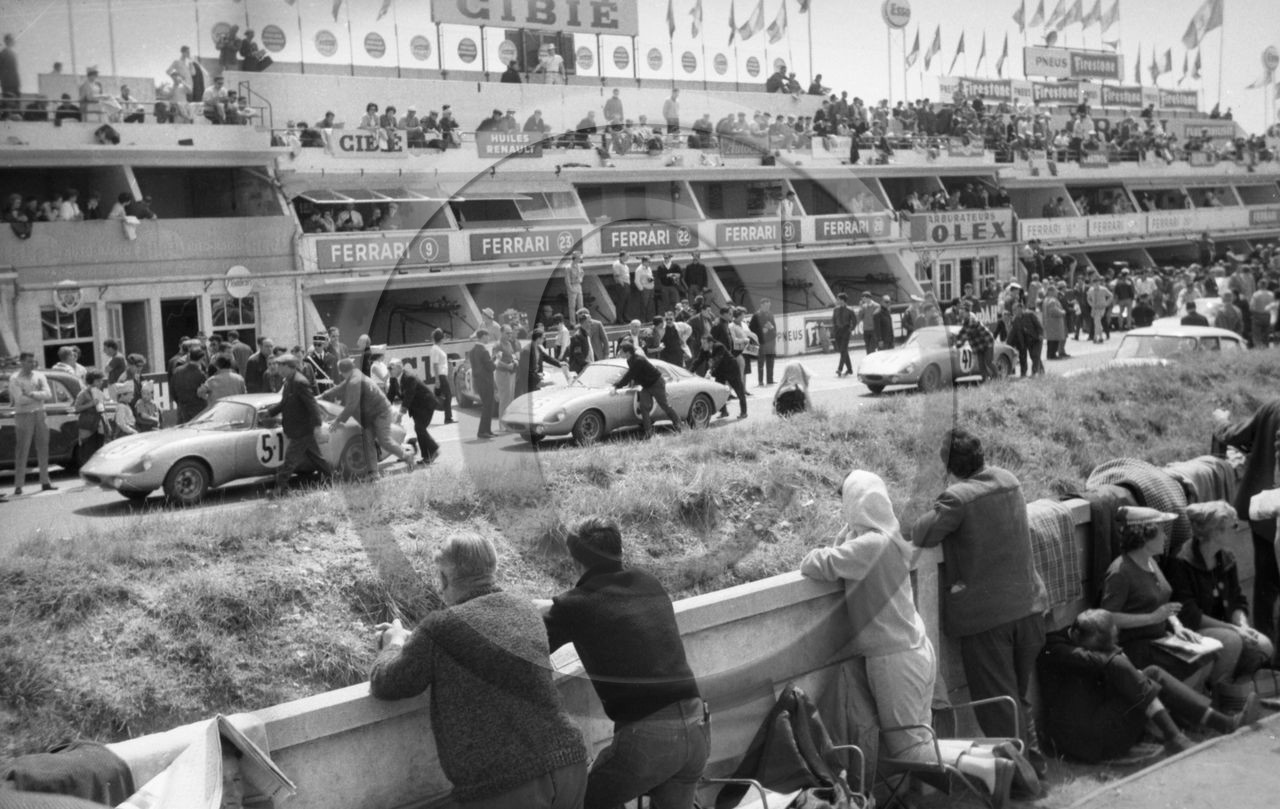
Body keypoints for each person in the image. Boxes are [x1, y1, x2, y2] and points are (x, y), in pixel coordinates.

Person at [803, 471, 1032, 800]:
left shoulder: (867, 547)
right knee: (921, 742)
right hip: (917, 651)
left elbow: (814, 564)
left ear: (853, 505)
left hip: (892, 659)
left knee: (909, 751)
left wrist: (844, 530)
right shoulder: (892, 539)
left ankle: (988, 768)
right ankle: (988, 757)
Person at [370, 535, 589, 809]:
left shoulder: (439, 628)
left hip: (508, 784)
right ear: (492, 569)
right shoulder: (525, 611)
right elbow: (482, 641)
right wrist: (420, 639)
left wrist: (395, 642)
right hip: (569, 764)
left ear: (445, 577)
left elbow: (388, 683)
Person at [539, 517, 707, 808]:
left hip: (651, 738)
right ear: (619, 549)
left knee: (579, 803)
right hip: (697, 725)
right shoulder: (648, 581)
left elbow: (530, 642)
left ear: (575, 560)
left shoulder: (574, 605)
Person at [912, 429, 1049, 764]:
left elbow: (922, 533)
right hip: (1029, 608)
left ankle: (1020, 783)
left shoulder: (957, 498)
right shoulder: (1009, 480)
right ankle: (1035, 766)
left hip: (989, 620)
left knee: (998, 706)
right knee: (1016, 697)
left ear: (948, 465)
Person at [1038, 609, 1258, 762]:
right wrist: (1117, 654)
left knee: (1151, 673)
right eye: (1098, 648)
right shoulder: (1056, 648)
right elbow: (1108, 661)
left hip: (1099, 720)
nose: (1103, 651)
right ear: (1076, 635)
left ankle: (1221, 724)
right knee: (1130, 668)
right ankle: (1179, 736)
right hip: (1084, 742)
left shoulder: (1084, 634)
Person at [1166, 501, 1276, 683]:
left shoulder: (1226, 558)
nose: (1237, 529)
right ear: (1216, 532)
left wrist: (1243, 626)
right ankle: (1216, 694)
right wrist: (1235, 630)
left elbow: (1237, 600)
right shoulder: (1181, 562)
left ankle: (1235, 688)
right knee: (1232, 640)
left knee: (1264, 646)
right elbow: (1190, 614)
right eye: (1233, 526)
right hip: (1194, 629)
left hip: (1225, 627)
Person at [1100, 506, 1210, 682]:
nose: (1165, 537)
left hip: (1160, 639)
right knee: (1194, 664)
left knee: (1206, 657)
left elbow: (1161, 603)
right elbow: (1108, 617)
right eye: (1161, 532)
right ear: (1145, 536)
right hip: (1137, 647)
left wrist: (1177, 626)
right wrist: (1152, 618)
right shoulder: (1120, 571)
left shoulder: (1151, 561)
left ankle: (1180, 706)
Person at [1214, 400, 1280, 661]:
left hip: (1266, 516)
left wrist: (1220, 422)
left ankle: (1267, 662)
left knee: (1265, 588)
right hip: (1269, 515)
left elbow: (1236, 435)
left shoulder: (1273, 407)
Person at [328, 358, 415, 476]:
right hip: (368, 414)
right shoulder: (352, 376)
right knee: (368, 442)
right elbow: (338, 389)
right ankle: (374, 473)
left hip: (380, 412)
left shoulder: (354, 380)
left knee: (384, 441)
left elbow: (351, 406)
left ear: (343, 372)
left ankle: (407, 456)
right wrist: (321, 396)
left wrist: (338, 420)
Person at [262, 354, 332, 492]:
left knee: (290, 460)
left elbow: (312, 405)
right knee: (317, 458)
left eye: (281, 366)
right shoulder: (288, 381)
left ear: (289, 367)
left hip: (302, 430)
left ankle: (280, 489)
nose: (278, 368)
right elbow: (284, 403)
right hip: (297, 429)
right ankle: (333, 479)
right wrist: (269, 413)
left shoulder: (300, 382)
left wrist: (318, 425)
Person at [611, 342, 682, 438]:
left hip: (656, 383)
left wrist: (616, 386)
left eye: (621, 351)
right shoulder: (630, 360)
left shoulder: (638, 360)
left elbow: (629, 375)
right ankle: (649, 432)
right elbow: (635, 375)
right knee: (644, 407)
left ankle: (678, 425)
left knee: (664, 405)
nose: (619, 353)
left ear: (627, 352)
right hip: (647, 386)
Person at [8, 352, 54, 496]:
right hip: (23, 415)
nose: (32, 364)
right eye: (28, 361)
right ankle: (19, 485)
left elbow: (48, 394)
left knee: (43, 447)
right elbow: (19, 399)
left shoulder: (39, 376)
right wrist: (37, 396)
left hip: (40, 413)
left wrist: (32, 394)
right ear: (21, 362)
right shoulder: (15, 378)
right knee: (22, 449)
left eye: (33, 361)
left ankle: (45, 482)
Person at [387, 359, 440, 465]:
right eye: (388, 368)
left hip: (426, 404)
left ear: (399, 367)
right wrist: (382, 407)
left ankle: (433, 450)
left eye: (390, 368)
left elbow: (408, 396)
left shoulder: (409, 377)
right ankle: (426, 455)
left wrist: (400, 414)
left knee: (419, 428)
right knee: (419, 429)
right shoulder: (393, 380)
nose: (389, 371)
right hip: (416, 407)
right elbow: (390, 396)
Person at [73, 371, 110, 464]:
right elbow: (77, 408)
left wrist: (106, 424)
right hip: (88, 425)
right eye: (98, 381)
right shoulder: (83, 393)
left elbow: (102, 409)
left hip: (99, 425)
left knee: (99, 448)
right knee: (88, 449)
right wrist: (91, 404)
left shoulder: (100, 393)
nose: (101, 383)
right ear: (92, 381)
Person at [468, 330, 497, 439]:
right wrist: (496, 361)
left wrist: (492, 359)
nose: (488, 338)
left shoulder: (473, 350)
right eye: (487, 336)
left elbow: (485, 363)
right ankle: (482, 431)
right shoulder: (484, 350)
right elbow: (490, 367)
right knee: (487, 406)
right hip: (486, 381)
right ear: (483, 337)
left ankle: (487, 430)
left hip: (478, 381)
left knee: (486, 405)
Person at [707, 343, 747, 420]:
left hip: (731, 369)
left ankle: (744, 412)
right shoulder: (705, 349)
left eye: (704, 343)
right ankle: (724, 411)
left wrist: (711, 370)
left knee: (739, 390)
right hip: (720, 371)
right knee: (719, 391)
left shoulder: (719, 346)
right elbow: (698, 360)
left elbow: (718, 359)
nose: (703, 345)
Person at [749, 298, 777, 387]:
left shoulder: (770, 314)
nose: (768, 307)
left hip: (770, 341)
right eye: (766, 306)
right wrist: (762, 330)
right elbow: (751, 329)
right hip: (761, 341)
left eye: (769, 306)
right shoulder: (756, 315)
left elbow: (774, 327)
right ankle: (760, 381)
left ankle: (770, 379)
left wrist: (771, 328)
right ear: (761, 305)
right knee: (761, 361)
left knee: (770, 360)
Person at [429, 329, 455, 425]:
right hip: (440, 375)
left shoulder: (436, 348)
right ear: (441, 338)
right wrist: (437, 379)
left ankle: (442, 412)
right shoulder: (436, 349)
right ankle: (448, 418)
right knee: (448, 395)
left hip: (441, 374)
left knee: (440, 395)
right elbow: (435, 364)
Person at [832, 293, 856, 377]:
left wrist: (850, 329)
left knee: (843, 349)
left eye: (838, 299)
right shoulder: (835, 309)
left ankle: (840, 369)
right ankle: (850, 369)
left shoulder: (850, 310)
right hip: (838, 331)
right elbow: (834, 320)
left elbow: (854, 321)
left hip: (846, 330)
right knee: (843, 350)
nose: (837, 301)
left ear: (842, 300)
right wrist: (834, 330)